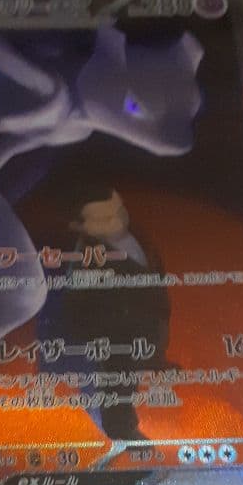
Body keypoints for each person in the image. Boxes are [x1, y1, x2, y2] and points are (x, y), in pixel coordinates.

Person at [58, 181, 170, 442]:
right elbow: (76, 305)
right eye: (105, 219)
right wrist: (103, 336)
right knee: (118, 382)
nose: (118, 222)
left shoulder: (136, 235)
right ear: (79, 226)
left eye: (120, 211)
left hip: (147, 323)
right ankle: (121, 429)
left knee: (132, 373)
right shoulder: (87, 258)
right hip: (116, 336)